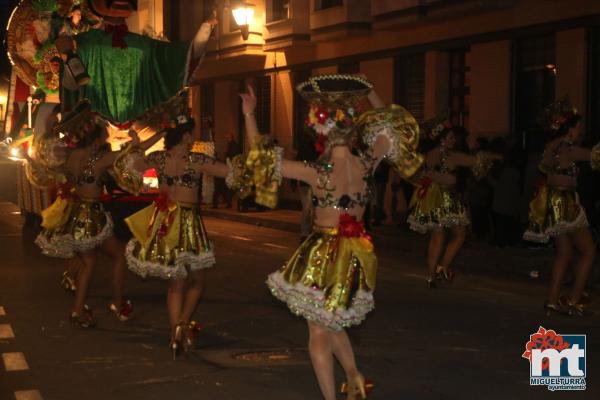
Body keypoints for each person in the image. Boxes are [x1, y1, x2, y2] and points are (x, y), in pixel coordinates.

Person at [238, 75, 423, 400]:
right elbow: (392, 126)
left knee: (317, 330)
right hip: (357, 253)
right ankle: (353, 376)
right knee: (332, 320)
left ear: (322, 133)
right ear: (352, 133)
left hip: (324, 254)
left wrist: (250, 114)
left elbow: (263, 158)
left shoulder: (318, 172)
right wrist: (372, 92)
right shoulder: (367, 163)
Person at [33, 118, 162, 327]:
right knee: (96, 261)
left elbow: (48, 163)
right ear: (95, 141)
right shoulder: (98, 160)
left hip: (76, 213)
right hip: (91, 216)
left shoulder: (70, 157)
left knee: (105, 258)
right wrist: (160, 135)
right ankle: (84, 309)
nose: (106, 139)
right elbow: (132, 153)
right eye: (104, 136)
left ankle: (112, 305)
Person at [121, 116, 231, 358]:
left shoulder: (159, 158)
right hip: (188, 222)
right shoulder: (197, 160)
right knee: (198, 281)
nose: (192, 139)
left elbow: (131, 164)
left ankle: (175, 335)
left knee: (175, 284)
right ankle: (182, 323)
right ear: (184, 136)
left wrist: (148, 140)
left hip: (164, 221)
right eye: (190, 134)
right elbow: (228, 172)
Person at [523, 100, 600, 316]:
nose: (581, 131)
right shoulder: (569, 149)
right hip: (566, 202)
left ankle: (552, 300)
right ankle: (574, 300)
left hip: (551, 201)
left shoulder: (551, 147)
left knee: (564, 253)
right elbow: (594, 155)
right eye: (578, 127)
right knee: (588, 250)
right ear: (570, 128)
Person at [408, 124, 499, 288]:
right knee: (458, 234)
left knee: (438, 236)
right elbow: (475, 161)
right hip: (446, 198)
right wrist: (494, 156)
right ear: (442, 140)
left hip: (432, 197)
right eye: (450, 137)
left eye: (453, 137)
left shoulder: (429, 155)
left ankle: (432, 275)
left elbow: (418, 173)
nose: (453, 140)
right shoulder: (453, 156)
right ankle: (442, 267)